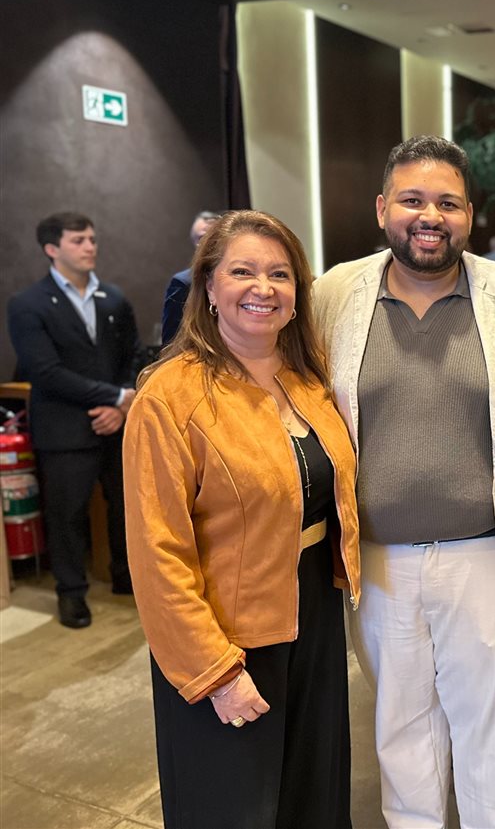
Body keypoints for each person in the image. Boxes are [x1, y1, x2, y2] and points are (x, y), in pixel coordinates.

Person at [313, 135, 495, 829]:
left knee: (487, 734)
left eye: (448, 203)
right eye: (413, 200)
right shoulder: (334, 294)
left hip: (488, 557)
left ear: (469, 215)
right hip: (379, 562)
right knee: (401, 733)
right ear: (382, 208)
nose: (430, 216)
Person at [123, 210, 361, 829]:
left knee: (313, 793)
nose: (264, 288)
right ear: (208, 285)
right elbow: (157, 553)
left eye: (280, 274)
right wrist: (215, 672)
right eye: (242, 272)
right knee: (232, 805)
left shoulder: (308, 378)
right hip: (228, 632)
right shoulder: (168, 396)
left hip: (312, 610)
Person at [6, 212, 141, 628]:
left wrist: (121, 405)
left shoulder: (113, 298)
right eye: (79, 240)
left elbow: (133, 356)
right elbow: (45, 371)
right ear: (52, 249)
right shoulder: (27, 304)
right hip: (64, 429)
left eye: (92, 239)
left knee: (127, 508)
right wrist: (114, 397)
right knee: (67, 516)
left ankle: (126, 578)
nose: (90, 247)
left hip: (117, 425)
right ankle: (71, 593)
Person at [161, 210, 220, 345]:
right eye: (202, 238)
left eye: (214, 236)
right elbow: (171, 342)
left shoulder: (240, 278)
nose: (208, 242)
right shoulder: (183, 283)